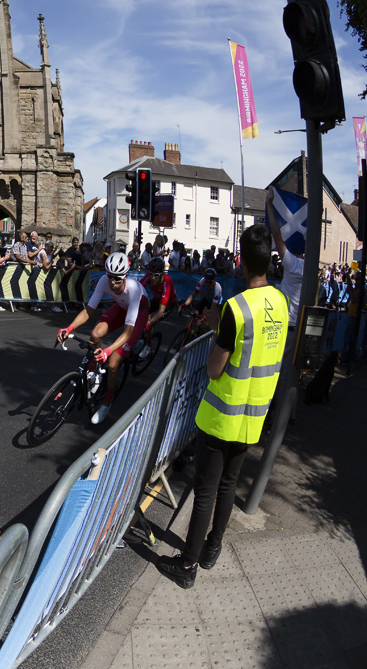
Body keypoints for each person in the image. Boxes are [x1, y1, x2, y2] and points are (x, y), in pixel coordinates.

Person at [156, 225, 289, 589]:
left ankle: (187, 565)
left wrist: (218, 328)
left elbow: (216, 369)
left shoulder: (236, 307)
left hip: (221, 417)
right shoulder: (281, 303)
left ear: (241, 261)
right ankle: (213, 548)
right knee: (229, 485)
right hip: (253, 418)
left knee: (206, 492)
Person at [57, 252, 149, 425]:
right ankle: (94, 374)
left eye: (117, 279)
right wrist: (68, 328)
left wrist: (107, 351)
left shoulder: (134, 289)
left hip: (138, 314)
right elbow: (88, 311)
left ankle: (106, 402)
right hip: (121, 307)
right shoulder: (104, 281)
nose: (112, 283)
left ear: (126, 276)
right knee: (95, 334)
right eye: (109, 277)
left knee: (114, 363)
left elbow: (127, 333)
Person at [182, 267, 223, 332]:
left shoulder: (218, 288)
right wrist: (184, 304)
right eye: (206, 281)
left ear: (214, 281)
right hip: (206, 300)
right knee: (193, 314)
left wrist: (204, 318)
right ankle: (186, 333)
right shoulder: (202, 281)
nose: (207, 284)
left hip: (215, 305)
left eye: (210, 282)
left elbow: (212, 308)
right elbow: (193, 295)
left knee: (205, 324)